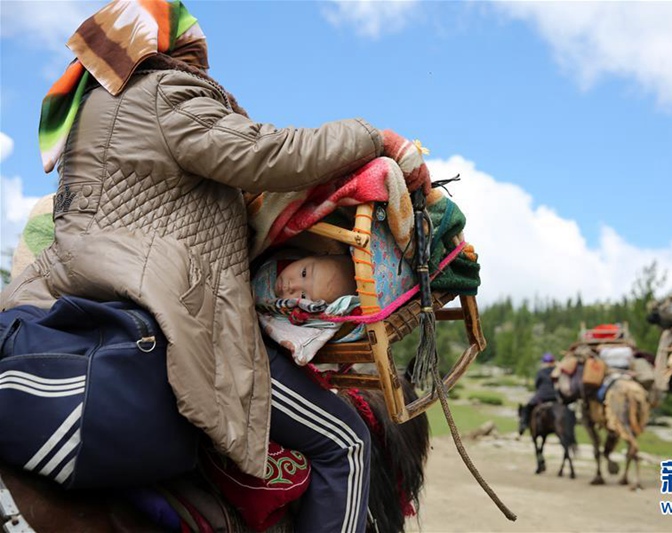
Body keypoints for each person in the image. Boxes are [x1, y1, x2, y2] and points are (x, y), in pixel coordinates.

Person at [0, 1, 430, 531]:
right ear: (167, 46)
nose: (202, 60)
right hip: (166, 309)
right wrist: (375, 138)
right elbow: (267, 154)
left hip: (80, 294)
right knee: (347, 441)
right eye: (194, 47)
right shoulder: (164, 92)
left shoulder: (92, 112)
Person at [519, 353, 559, 434]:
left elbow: (537, 385)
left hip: (542, 396)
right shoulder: (556, 370)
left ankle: (524, 424)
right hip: (555, 396)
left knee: (527, 407)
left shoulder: (541, 372)